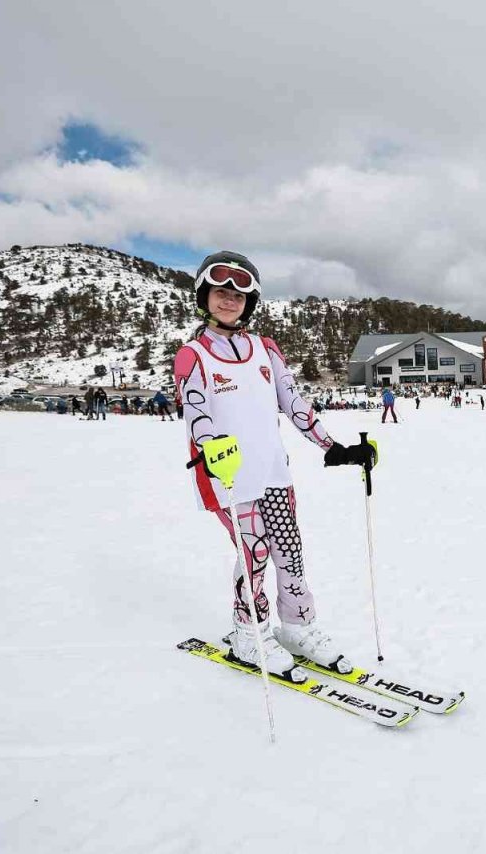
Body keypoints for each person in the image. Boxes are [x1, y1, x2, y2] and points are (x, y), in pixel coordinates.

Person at [173, 250, 376, 681]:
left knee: (289, 550)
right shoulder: (192, 355)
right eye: (220, 292)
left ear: (251, 302)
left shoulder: (265, 349)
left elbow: (293, 402)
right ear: (204, 296)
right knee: (255, 551)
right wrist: (211, 449)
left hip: (273, 474)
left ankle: (298, 625)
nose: (229, 300)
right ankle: (249, 630)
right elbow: (197, 412)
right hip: (226, 477)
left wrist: (332, 446)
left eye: (238, 295)